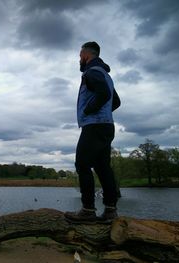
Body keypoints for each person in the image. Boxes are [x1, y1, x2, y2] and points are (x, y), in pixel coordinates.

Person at [64, 41, 121, 222]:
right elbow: (116, 101)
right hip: (105, 126)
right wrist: (102, 112)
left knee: (82, 164)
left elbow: (103, 94)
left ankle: (88, 210)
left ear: (86, 55)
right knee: (102, 167)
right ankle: (111, 211)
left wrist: (90, 110)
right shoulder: (104, 74)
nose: (79, 59)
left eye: (80, 56)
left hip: (94, 125)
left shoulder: (92, 71)